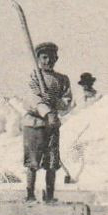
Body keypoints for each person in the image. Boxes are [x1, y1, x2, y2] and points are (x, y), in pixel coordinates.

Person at [22, 42, 73, 202]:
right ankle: (30, 194)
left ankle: (50, 196)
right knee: (33, 161)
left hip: (52, 126)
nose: (48, 61)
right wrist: (47, 111)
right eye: (44, 57)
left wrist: (56, 102)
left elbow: (67, 101)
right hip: (35, 124)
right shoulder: (34, 77)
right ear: (38, 59)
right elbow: (32, 99)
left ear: (56, 58)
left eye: (51, 58)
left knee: (52, 162)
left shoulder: (62, 79)